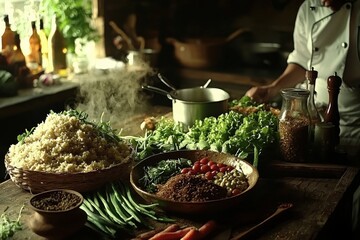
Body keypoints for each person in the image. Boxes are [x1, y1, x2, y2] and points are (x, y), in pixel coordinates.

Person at [245, 0, 360, 158]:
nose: (324, 2)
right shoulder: (308, 7)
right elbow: (302, 61)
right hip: (312, 118)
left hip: (354, 124)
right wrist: (272, 89)